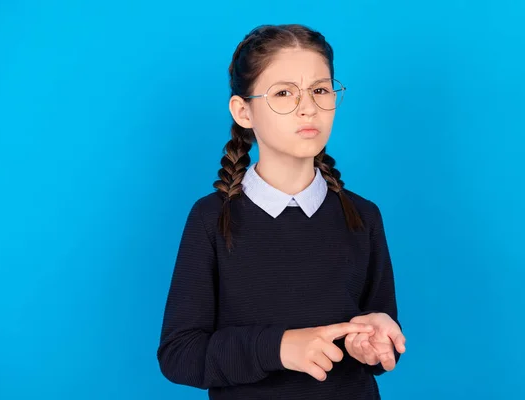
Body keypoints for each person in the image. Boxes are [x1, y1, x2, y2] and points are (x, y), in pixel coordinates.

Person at [157, 23, 406, 400]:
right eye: (284, 93)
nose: (308, 108)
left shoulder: (363, 217)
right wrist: (279, 348)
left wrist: (372, 344)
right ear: (243, 111)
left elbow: (380, 344)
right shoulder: (211, 219)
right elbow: (179, 355)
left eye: (320, 90)